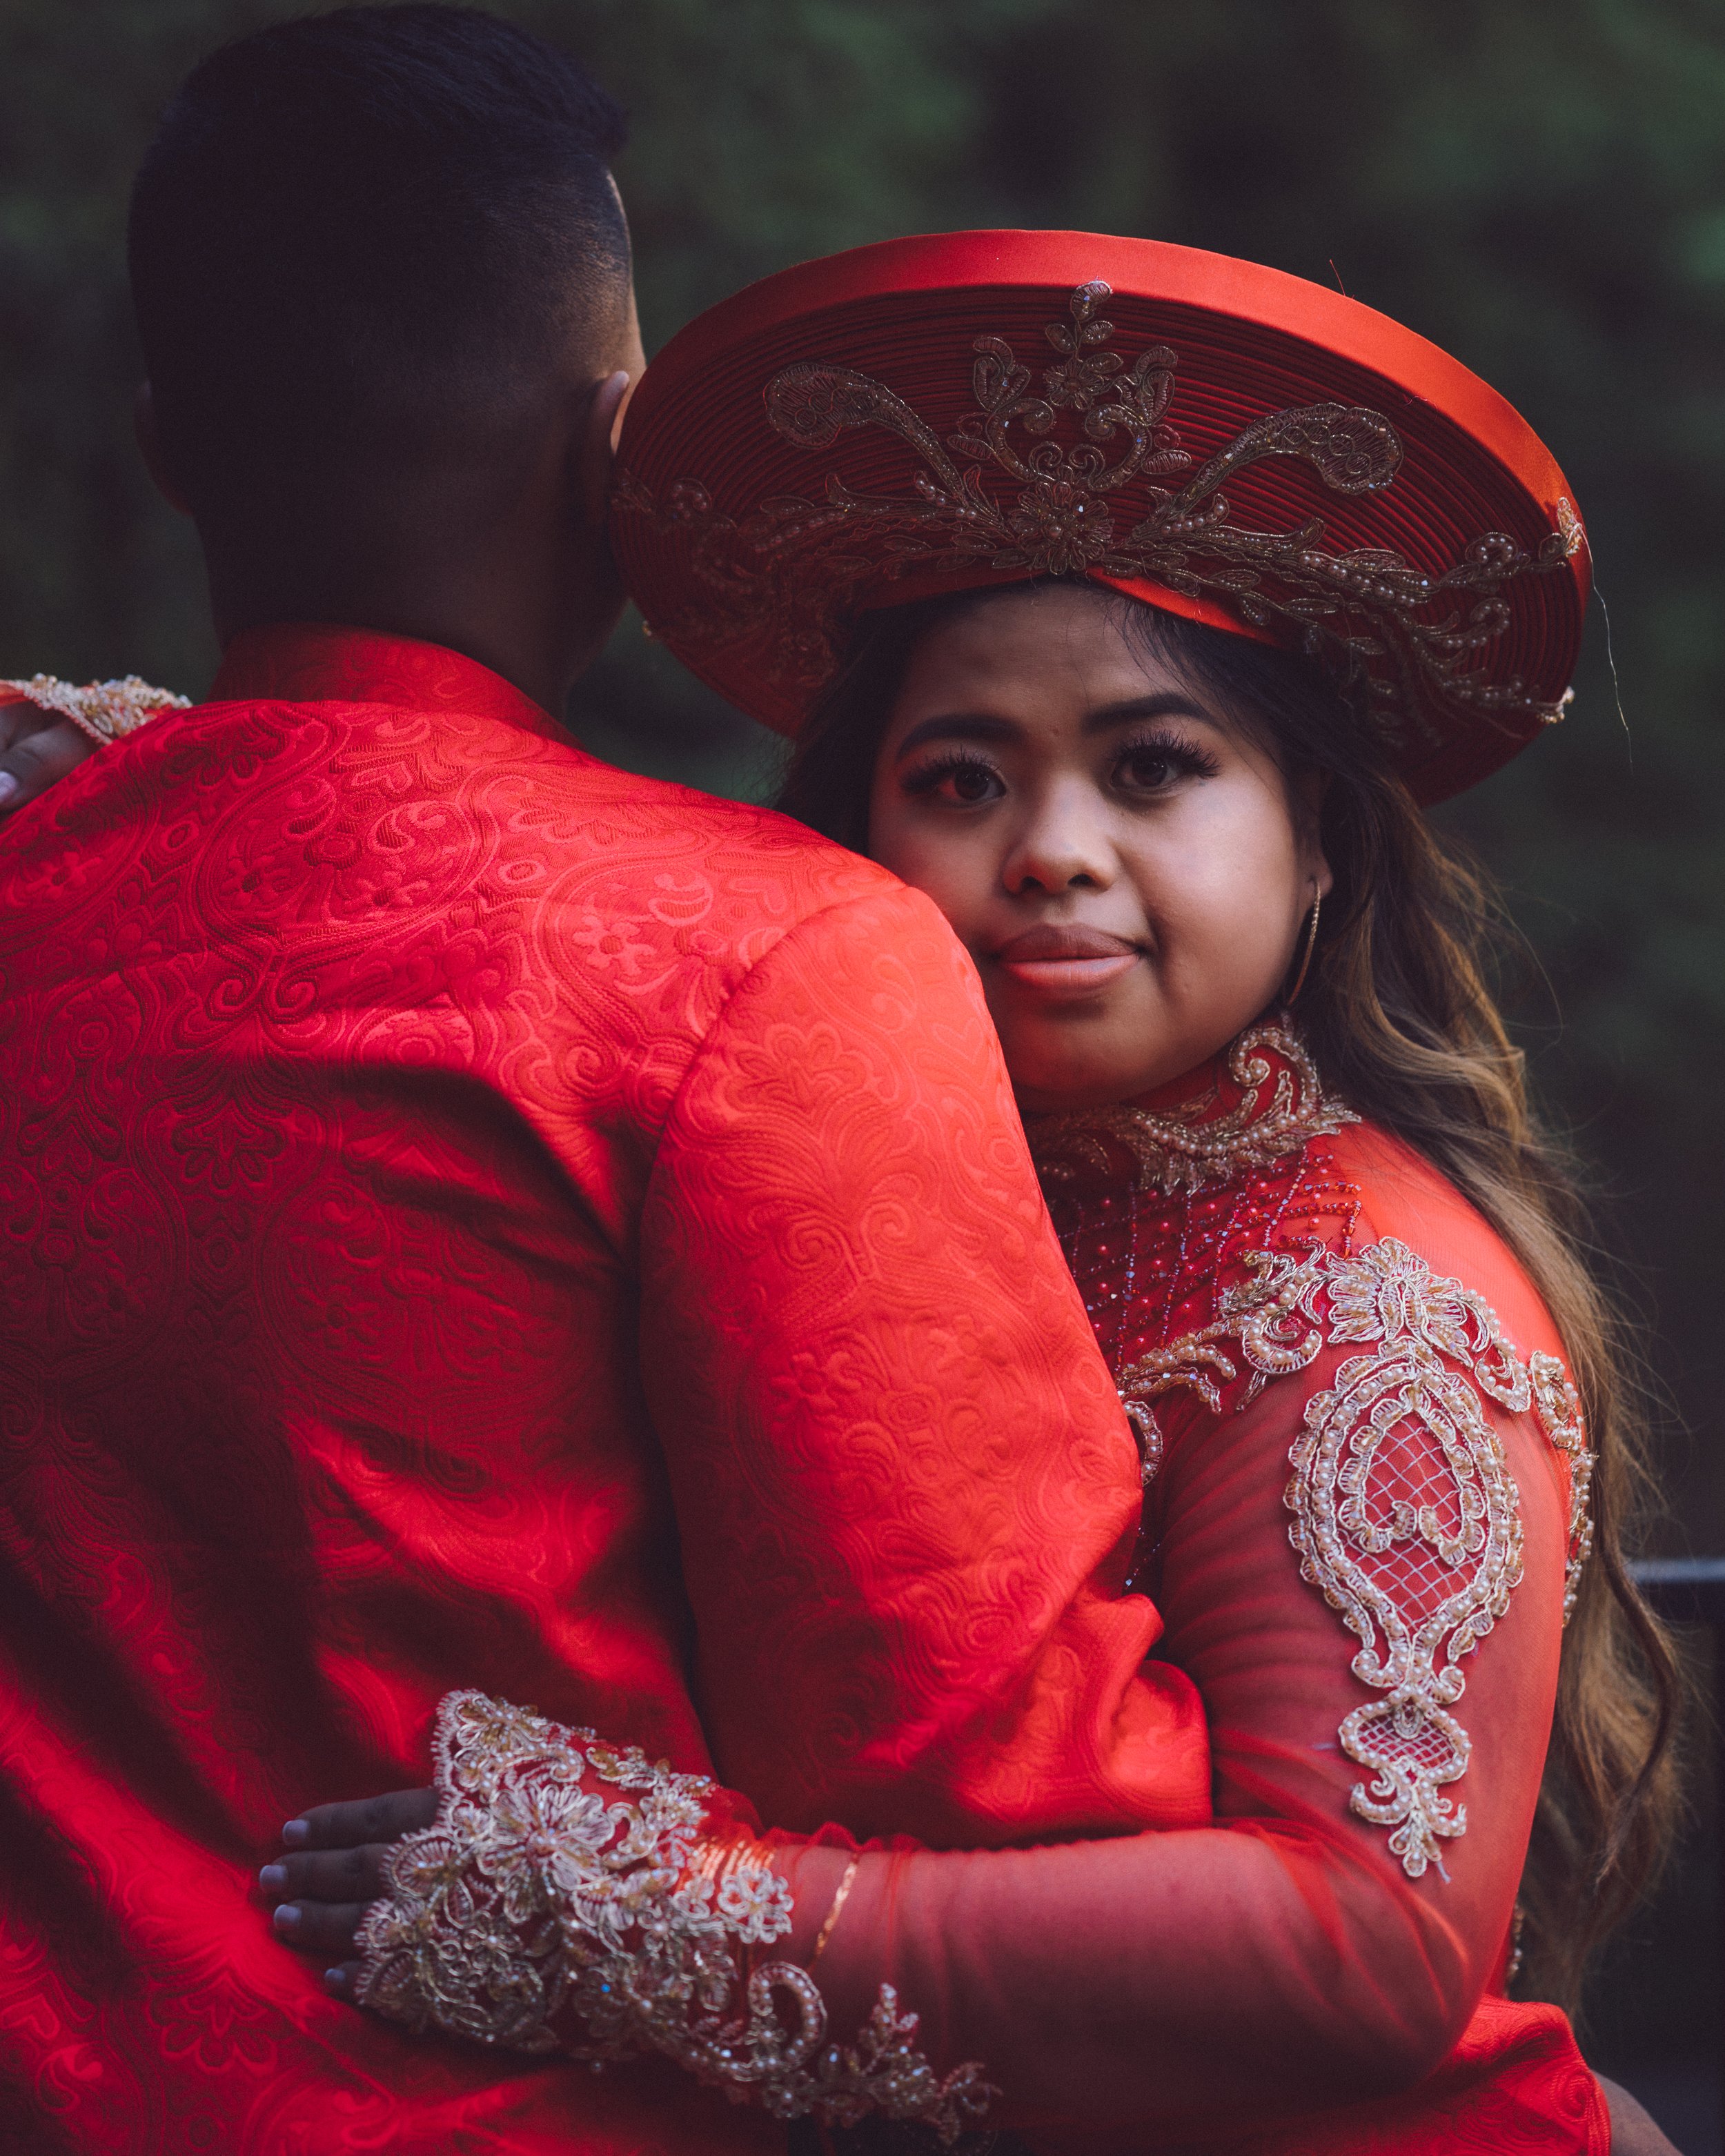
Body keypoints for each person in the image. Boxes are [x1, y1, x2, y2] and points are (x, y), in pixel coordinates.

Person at [268, 237, 1682, 2153]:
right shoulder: (839, 1173)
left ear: (1323, 849)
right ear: (849, 850)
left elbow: (1357, 1946)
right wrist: (179, 778)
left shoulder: (1373, 1309)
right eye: (960, 779)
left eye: (1153, 766)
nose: (1052, 854)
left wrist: (634, 1916)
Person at [0, 21, 1216, 2155]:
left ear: (170, 451)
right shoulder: (758, 955)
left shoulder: (36, 853)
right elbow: (1000, 1793)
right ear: (619, 451)